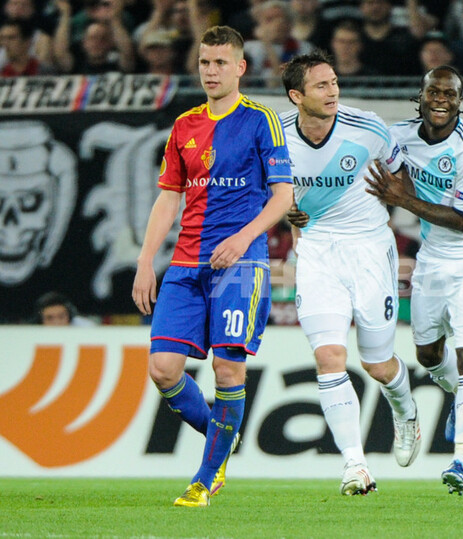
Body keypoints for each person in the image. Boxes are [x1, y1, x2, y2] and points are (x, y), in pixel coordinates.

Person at [132, 25, 293, 507]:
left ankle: (206, 478)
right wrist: (146, 261)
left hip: (241, 265)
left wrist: (243, 239)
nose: (211, 71)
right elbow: (168, 198)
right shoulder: (184, 125)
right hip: (185, 264)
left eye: (220, 62)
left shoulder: (262, 120)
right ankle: (224, 436)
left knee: (227, 369)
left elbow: (283, 196)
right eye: (204, 62)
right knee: (163, 369)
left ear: (240, 67)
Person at [280, 51, 420, 496]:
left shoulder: (369, 128)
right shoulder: (275, 136)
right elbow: (270, 190)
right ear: (296, 96)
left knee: (377, 364)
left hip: (369, 249)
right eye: (321, 85)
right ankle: (355, 466)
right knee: (329, 357)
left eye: (334, 82)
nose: (333, 91)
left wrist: (394, 196)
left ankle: (405, 409)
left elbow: (404, 181)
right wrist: (288, 213)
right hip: (317, 252)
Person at [365, 65, 463, 495]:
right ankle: (459, 398)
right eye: (434, 92)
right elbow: (370, 167)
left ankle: (461, 460)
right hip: (432, 258)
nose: (441, 99)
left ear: (460, 102)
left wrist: (402, 199)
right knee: (427, 355)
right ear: (421, 96)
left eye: (450, 94)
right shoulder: (400, 136)